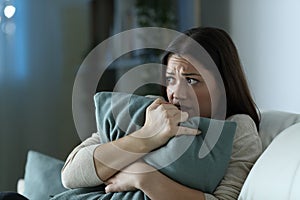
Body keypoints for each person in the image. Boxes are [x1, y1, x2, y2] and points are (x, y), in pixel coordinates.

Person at [61, 27, 262, 200]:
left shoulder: (238, 128)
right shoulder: (152, 110)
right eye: (170, 80)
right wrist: (146, 136)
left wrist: (143, 177)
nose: (176, 93)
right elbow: (70, 175)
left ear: (224, 84)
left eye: (191, 80)